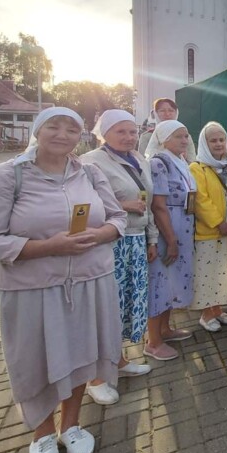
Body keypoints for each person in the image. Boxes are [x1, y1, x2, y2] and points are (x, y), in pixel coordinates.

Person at [0, 107, 127, 453]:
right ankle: (41, 433)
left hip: (90, 282)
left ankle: (71, 425)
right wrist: (45, 247)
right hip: (33, 289)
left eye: (72, 129)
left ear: (80, 136)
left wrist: (101, 234)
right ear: (37, 132)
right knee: (36, 360)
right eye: (53, 126)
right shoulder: (6, 177)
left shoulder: (89, 173)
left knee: (82, 352)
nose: (62, 134)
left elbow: (117, 217)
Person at [80, 110, 157, 406]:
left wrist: (151, 238)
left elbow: (146, 202)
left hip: (136, 240)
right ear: (104, 133)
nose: (128, 137)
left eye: (131, 131)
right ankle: (95, 377)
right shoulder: (90, 163)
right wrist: (121, 204)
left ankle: (120, 360)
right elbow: (81, 205)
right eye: (120, 132)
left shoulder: (140, 160)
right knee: (106, 306)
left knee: (127, 304)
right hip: (110, 242)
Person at [144, 120, 197, 360]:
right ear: (164, 138)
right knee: (159, 282)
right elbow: (158, 205)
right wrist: (171, 239)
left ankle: (165, 329)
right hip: (168, 228)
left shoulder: (181, 161)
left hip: (182, 224)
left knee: (171, 281)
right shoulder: (158, 163)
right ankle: (153, 341)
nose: (184, 141)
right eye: (178, 136)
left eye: (186, 136)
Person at [190, 122, 227, 333]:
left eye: (222, 139)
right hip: (209, 231)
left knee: (223, 272)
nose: (219, 144)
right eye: (213, 140)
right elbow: (201, 200)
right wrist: (219, 223)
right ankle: (206, 314)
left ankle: (218, 309)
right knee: (207, 274)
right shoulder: (197, 167)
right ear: (205, 143)